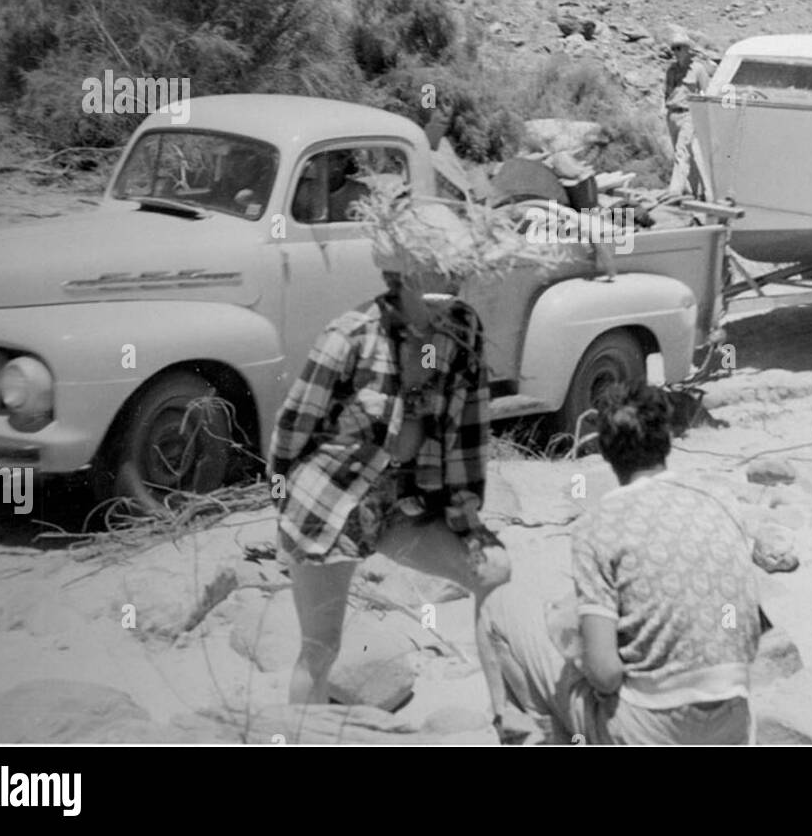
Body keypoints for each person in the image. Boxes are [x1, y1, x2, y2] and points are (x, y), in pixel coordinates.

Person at [267, 205, 531, 741]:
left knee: (493, 571)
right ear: (405, 273)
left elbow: (468, 431)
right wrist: (292, 519)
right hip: (332, 508)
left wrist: (465, 513)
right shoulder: (350, 338)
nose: (451, 279)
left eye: (458, 268)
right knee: (321, 649)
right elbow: (289, 434)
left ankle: (511, 720)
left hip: (400, 509)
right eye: (437, 268)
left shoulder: (458, 334)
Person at [483, 381, 762, 744]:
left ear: (603, 451)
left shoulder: (598, 525)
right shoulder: (721, 500)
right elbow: (747, 635)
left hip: (651, 730)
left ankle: (535, 735)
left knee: (496, 606)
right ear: (668, 439)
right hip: (734, 723)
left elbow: (606, 674)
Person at [663, 29, 711, 199]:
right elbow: (667, 93)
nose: (675, 52)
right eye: (674, 48)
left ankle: (674, 191)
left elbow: (707, 93)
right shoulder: (671, 70)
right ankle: (698, 192)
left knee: (681, 152)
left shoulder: (698, 69)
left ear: (687, 49)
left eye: (679, 48)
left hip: (689, 114)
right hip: (672, 114)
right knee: (685, 154)